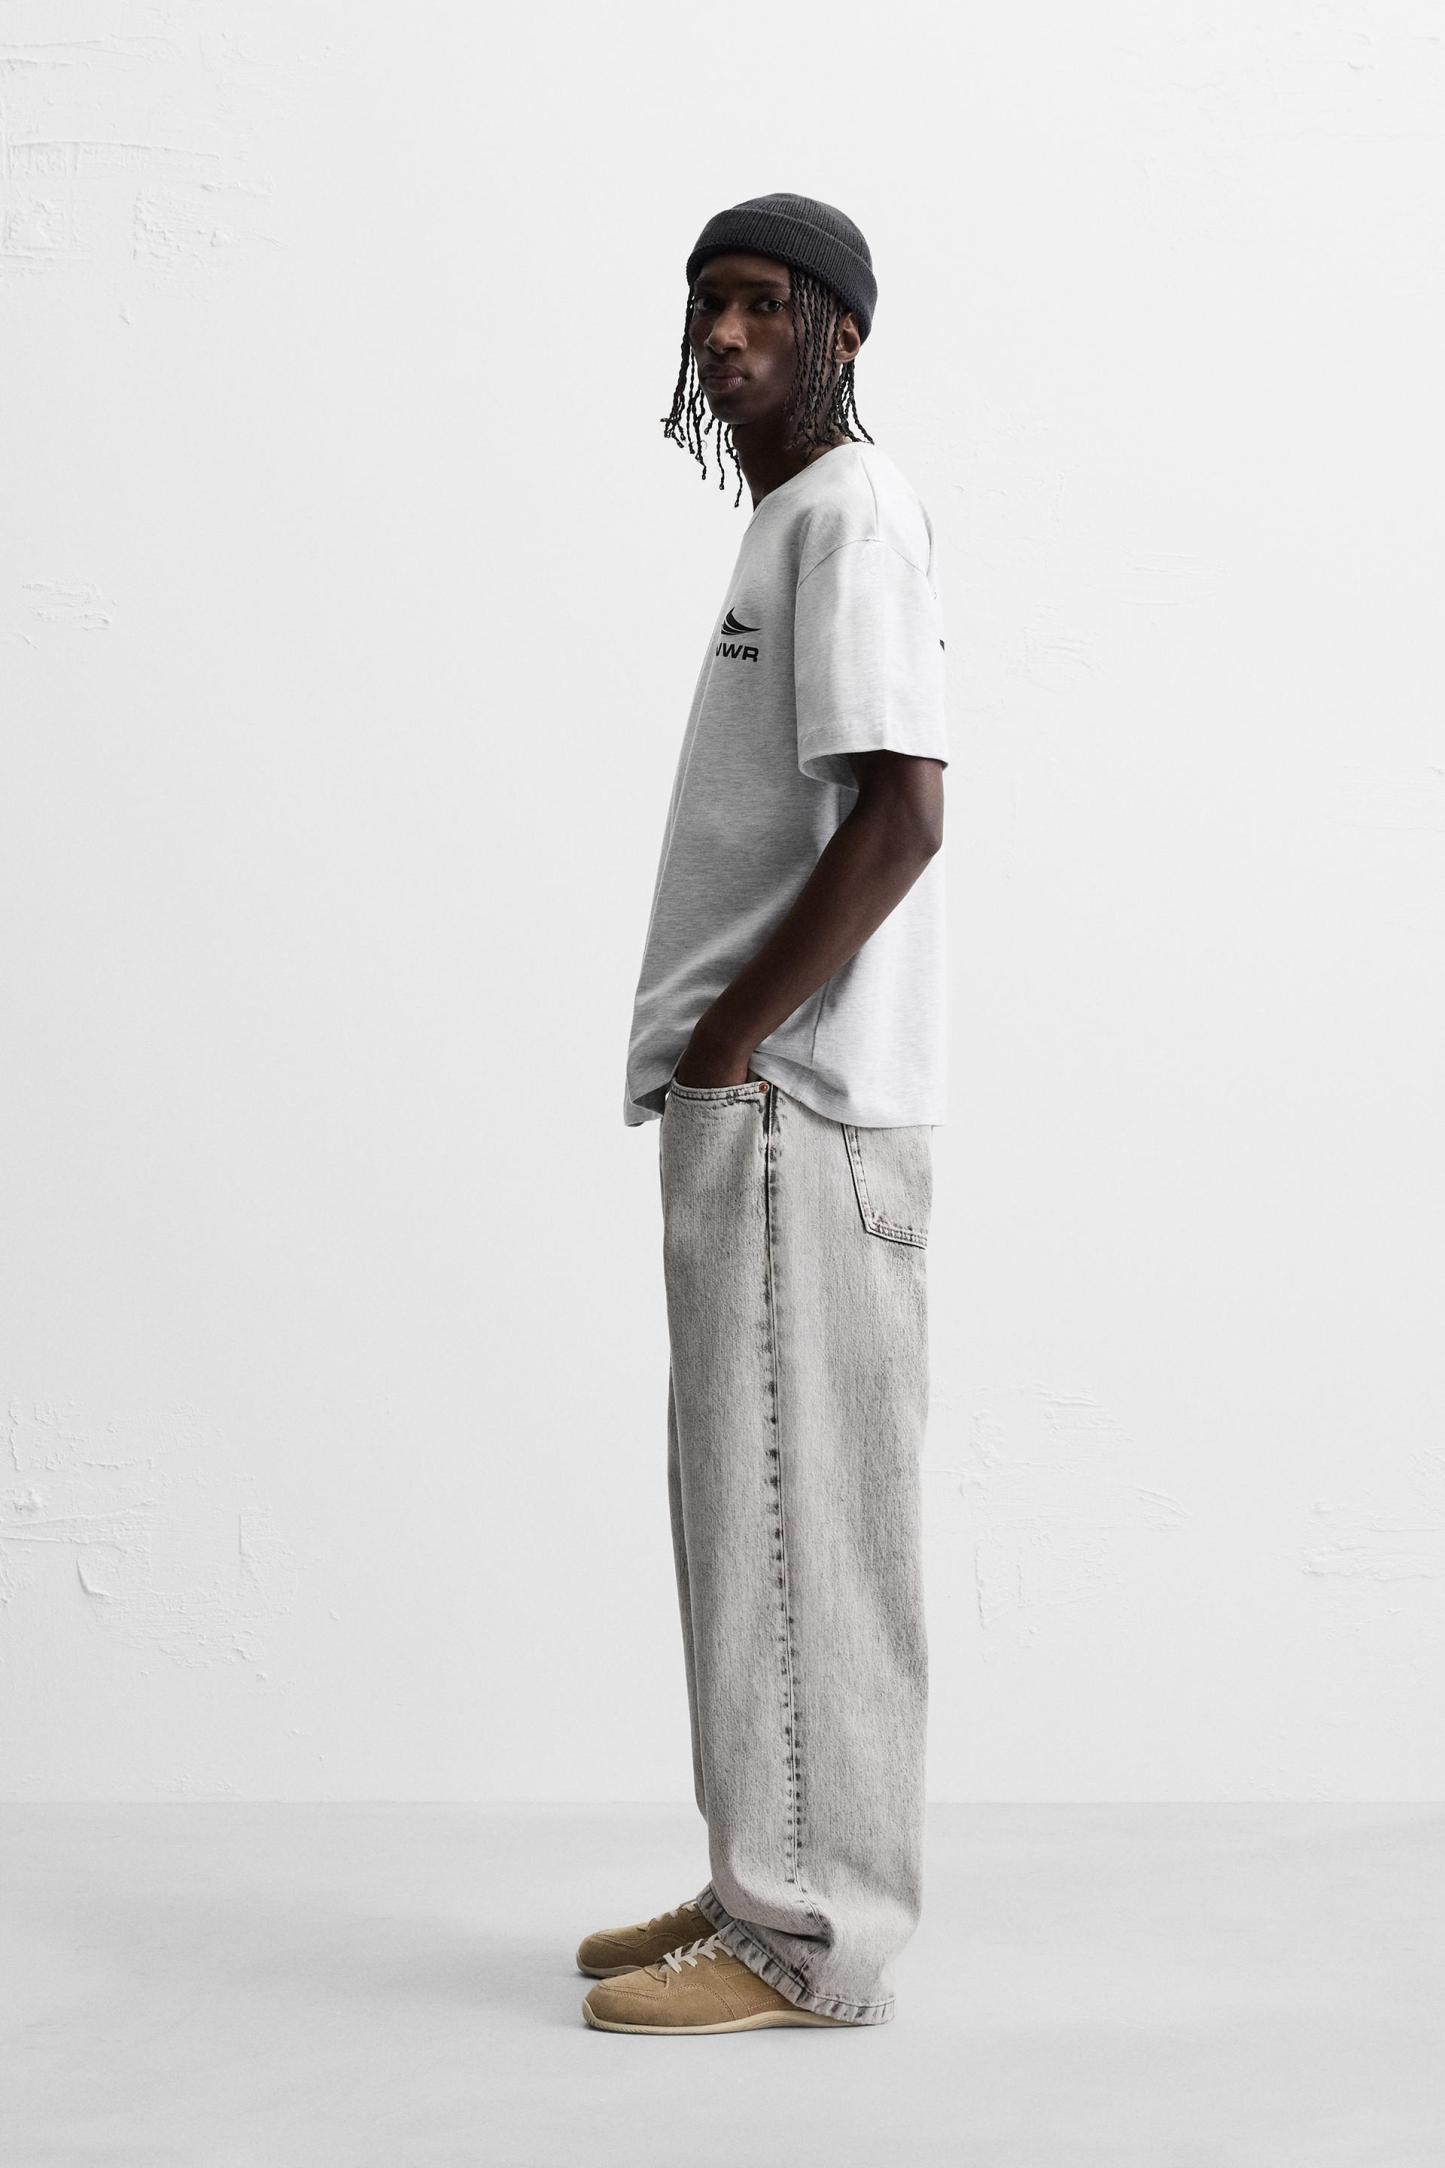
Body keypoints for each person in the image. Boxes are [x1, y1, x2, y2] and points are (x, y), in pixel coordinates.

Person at [580, 193, 950, 2036]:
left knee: (803, 1534)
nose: (720, 337)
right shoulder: (788, 522)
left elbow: (902, 813)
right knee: (748, 1525)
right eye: (701, 309)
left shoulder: (850, 514)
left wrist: (731, 1042)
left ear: (839, 332)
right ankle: (760, 1877)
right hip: (758, 1106)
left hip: (797, 1107)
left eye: (759, 305)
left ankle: (808, 1936)